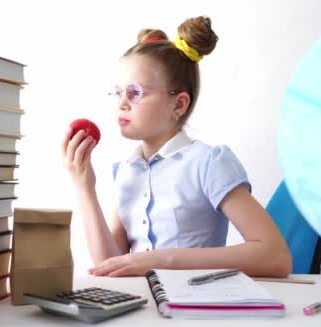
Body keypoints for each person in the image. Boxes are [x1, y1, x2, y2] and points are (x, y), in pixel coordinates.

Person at [62, 16, 292, 277]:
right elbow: (111, 266)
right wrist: (84, 186)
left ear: (179, 104)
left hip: (194, 309)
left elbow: (275, 256)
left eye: (135, 92)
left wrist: (160, 260)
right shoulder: (126, 171)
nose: (122, 103)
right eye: (118, 92)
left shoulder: (208, 163)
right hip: (141, 310)